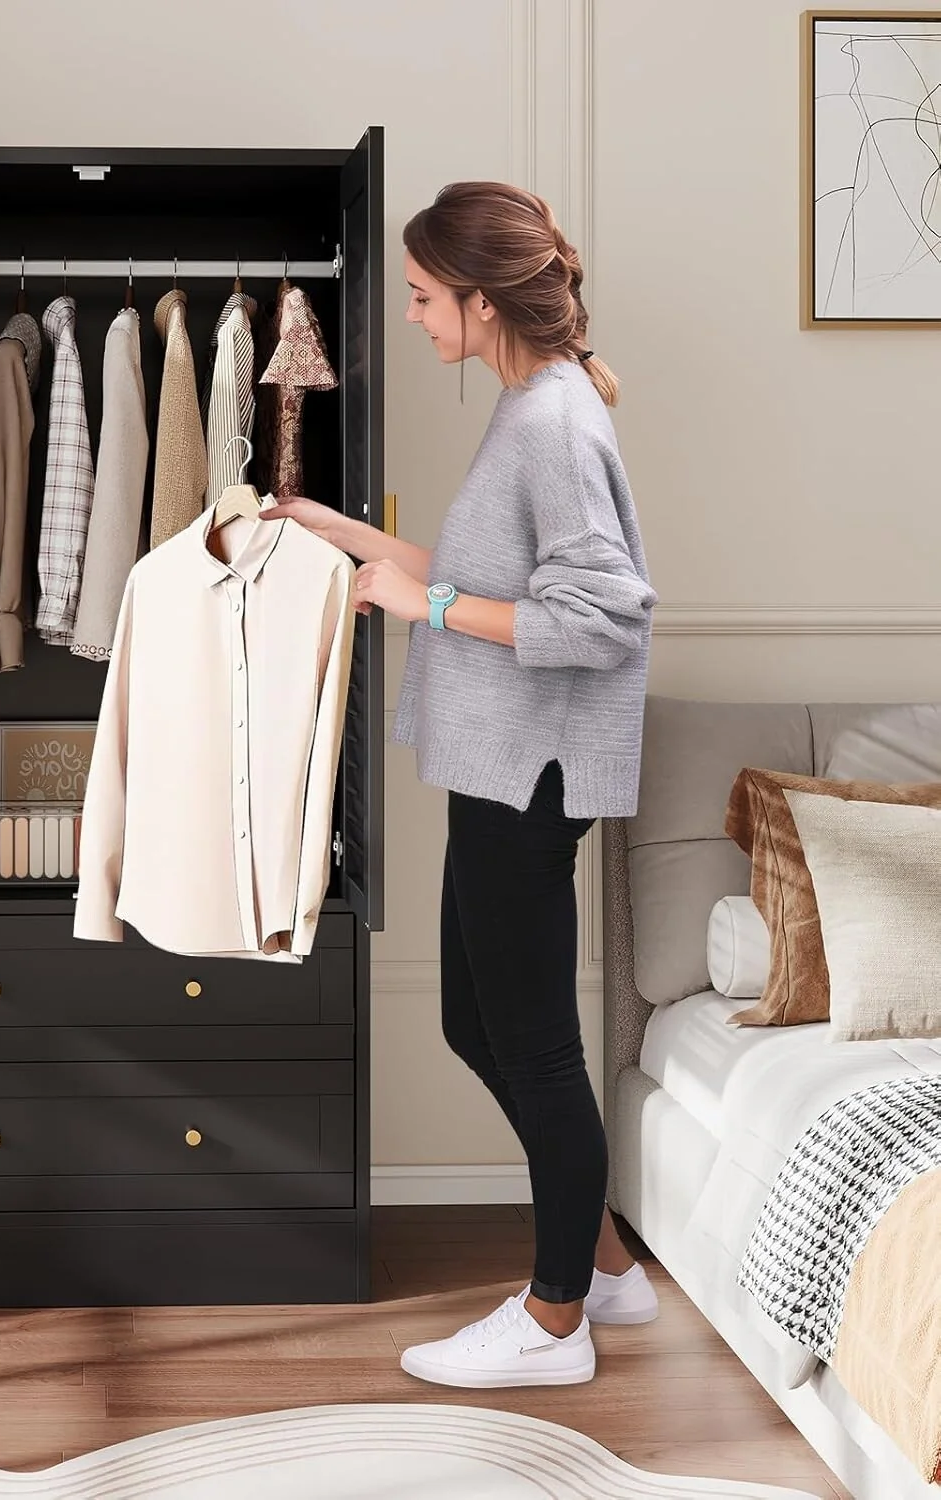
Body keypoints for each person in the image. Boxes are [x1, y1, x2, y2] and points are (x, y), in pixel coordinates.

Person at [261, 181, 659, 1388]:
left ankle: (553, 1326)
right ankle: (604, 1270)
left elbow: (603, 619)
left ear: (483, 301)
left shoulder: (551, 425)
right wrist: (347, 534)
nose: (418, 317)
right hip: (498, 763)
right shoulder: (535, 405)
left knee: (532, 1046)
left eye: (428, 297)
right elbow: (493, 576)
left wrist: (421, 603)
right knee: (473, 1021)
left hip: (527, 776)